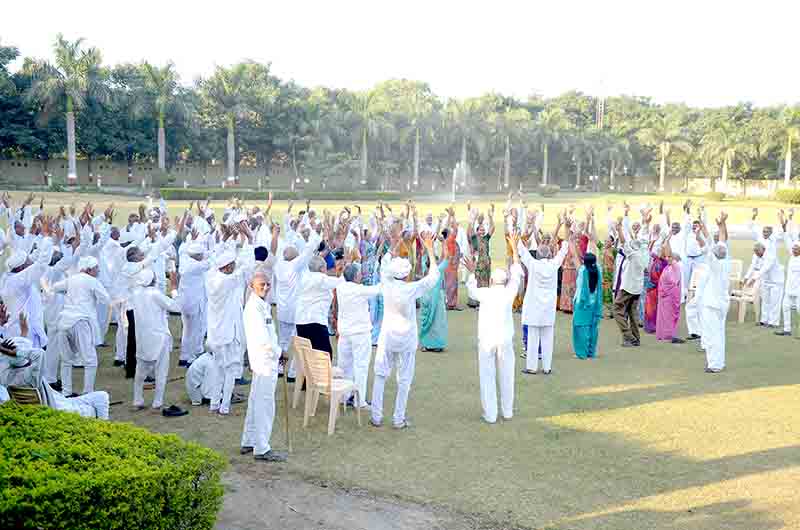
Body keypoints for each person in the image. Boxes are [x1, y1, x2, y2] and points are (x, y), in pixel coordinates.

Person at [370, 231, 439, 429]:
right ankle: (398, 419)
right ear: (406, 274)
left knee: (381, 374)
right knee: (404, 379)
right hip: (406, 338)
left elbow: (383, 266)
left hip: (389, 336)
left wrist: (393, 247)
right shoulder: (411, 288)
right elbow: (433, 276)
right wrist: (430, 249)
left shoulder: (387, 283)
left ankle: (376, 416)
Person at [464, 233, 522, 423]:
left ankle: (490, 414)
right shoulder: (508, 292)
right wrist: (514, 249)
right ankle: (507, 412)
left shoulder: (486, 293)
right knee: (507, 376)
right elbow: (517, 274)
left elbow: (471, 288)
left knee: (487, 376)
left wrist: (472, 271)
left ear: (491, 281)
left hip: (487, 339)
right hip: (504, 339)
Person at [206, 224, 256, 415]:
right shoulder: (227, 281)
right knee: (229, 371)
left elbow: (218, 259)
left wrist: (227, 239)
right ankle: (224, 406)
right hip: (228, 333)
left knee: (218, 369)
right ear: (227, 267)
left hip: (216, 333)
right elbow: (247, 266)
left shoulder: (212, 276)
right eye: (232, 265)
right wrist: (250, 239)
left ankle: (213, 403)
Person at [240, 271, 288, 462]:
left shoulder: (261, 305)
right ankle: (261, 447)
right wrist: (280, 353)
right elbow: (262, 339)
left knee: (255, 401)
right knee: (264, 404)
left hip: (266, 360)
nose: (266, 287)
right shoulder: (253, 308)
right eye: (261, 284)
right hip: (264, 362)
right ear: (252, 285)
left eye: (267, 284)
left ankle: (249, 440)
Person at [48, 256, 110, 396]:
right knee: (90, 360)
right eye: (96, 268)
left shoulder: (72, 279)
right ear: (89, 269)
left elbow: (55, 287)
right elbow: (106, 299)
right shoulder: (92, 281)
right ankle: (88, 392)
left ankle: (66, 392)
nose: (98, 270)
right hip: (80, 322)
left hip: (64, 322)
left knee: (66, 360)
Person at [130, 268, 186, 415]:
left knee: (140, 372)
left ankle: (137, 400)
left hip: (142, 338)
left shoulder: (135, 292)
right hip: (158, 338)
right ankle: (157, 402)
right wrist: (174, 288)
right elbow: (177, 307)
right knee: (161, 372)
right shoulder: (154, 294)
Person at [273, 219, 321, 380]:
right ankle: (292, 372)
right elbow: (309, 250)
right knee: (298, 342)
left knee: (283, 341)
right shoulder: (296, 265)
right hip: (295, 311)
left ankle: (280, 369)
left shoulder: (279, 265)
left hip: (282, 311)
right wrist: (313, 233)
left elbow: (275, 251)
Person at [518, 236, 569, 375]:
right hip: (547, 310)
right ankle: (547, 367)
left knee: (533, 338)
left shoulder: (533, 264)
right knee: (548, 339)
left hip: (534, 309)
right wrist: (567, 233)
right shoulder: (553, 264)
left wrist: (514, 233)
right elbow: (564, 250)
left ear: (538, 255)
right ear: (549, 254)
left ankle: (532, 367)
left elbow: (521, 251)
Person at [336, 263, 381, 408]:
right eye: (359, 273)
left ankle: (345, 396)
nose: (361, 275)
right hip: (359, 334)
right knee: (360, 366)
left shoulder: (341, 287)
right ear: (355, 276)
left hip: (345, 334)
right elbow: (378, 289)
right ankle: (359, 400)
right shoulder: (359, 290)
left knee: (344, 365)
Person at [698, 213, 730, 373]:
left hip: (712, 305)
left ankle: (714, 364)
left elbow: (710, 245)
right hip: (722, 303)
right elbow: (722, 240)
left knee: (712, 335)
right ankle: (719, 362)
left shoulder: (715, 265)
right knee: (720, 334)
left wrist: (702, 229)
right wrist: (722, 224)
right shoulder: (726, 259)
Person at [295, 255, 343, 357]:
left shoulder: (304, 277)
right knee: (325, 355)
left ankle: (308, 373)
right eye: (325, 267)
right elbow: (341, 282)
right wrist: (343, 269)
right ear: (321, 268)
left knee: (307, 356)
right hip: (315, 322)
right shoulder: (321, 278)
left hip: (301, 321)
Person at [612, 219, 649, 347]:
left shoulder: (633, 255)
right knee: (632, 314)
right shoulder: (644, 255)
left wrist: (619, 229)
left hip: (628, 287)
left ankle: (628, 335)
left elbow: (623, 242)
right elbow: (632, 243)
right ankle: (636, 339)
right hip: (637, 289)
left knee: (616, 310)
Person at [177, 242, 211, 366]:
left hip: (185, 304)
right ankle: (191, 358)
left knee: (187, 330)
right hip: (194, 304)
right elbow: (210, 262)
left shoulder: (185, 261)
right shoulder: (196, 266)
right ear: (197, 256)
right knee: (194, 331)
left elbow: (206, 256)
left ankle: (184, 356)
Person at [418, 243, 450, 352]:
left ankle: (426, 344)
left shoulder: (424, 268)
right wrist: (444, 242)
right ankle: (436, 344)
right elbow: (447, 257)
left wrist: (427, 246)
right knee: (438, 322)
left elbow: (422, 255)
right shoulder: (438, 270)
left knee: (428, 321)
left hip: (426, 298)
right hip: (436, 299)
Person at [743, 242, 783, 327]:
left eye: (758, 251)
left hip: (776, 281)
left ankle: (773, 322)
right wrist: (746, 277)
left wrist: (753, 279)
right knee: (765, 301)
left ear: (763, 249)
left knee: (774, 302)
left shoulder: (770, 256)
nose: (756, 253)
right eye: (755, 251)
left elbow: (764, 269)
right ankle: (764, 320)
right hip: (765, 281)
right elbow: (753, 266)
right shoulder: (756, 256)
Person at [572, 252, 603, 360]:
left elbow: (574, 256)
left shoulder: (582, 271)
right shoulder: (598, 270)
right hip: (594, 304)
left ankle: (582, 352)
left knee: (580, 328)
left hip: (582, 303)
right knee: (592, 328)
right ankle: (591, 352)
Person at [655, 242, 684, 343]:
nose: (668, 259)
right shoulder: (668, 267)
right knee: (663, 316)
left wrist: (667, 244)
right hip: (663, 296)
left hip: (671, 297)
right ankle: (663, 334)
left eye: (670, 258)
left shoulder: (676, 267)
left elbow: (669, 255)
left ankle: (669, 334)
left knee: (669, 316)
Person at [776, 239, 800, 337]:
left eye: (796, 249)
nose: (794, 250)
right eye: (793, 248)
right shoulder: (792, 257)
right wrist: (785, 229)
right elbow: (787, 241)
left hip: (798, 291)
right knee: (785, 308)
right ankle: (787, 330)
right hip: (788, 289)